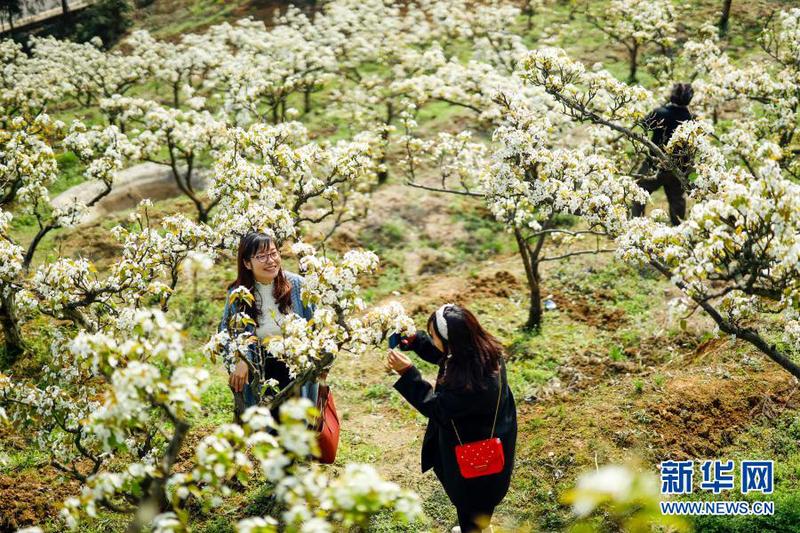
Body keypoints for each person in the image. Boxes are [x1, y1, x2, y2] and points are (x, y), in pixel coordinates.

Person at [386, 304, 517, 533]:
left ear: (452, 341)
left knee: (471, 503)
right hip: (488, 437)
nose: (433, 340)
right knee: (477, 504)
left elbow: (438, 408)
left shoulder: (475, 385)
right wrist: (417, 341)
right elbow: (445, 356)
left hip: (475, 452)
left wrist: (409, 375)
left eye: (433, 336)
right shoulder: (482, 352)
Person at [218, 231, 318, 422]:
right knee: (268, 430)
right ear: (247, 263)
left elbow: (316, 328)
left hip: (294, 368)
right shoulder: (238, 294)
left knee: (296, 427)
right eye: (261, 256)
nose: (270, 260)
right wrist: (241, 360)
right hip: (261, 369)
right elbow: (226, 334)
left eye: (273, 253)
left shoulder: (297, 285)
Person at [631, 83, 695, 226]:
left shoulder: (661, 113)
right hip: (678, 167)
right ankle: (680, 231)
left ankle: (636, 225)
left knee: (638, 192)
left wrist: (661, 107)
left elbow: (644, 124)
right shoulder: (691, 118)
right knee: (677, 200)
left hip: (655, 163)